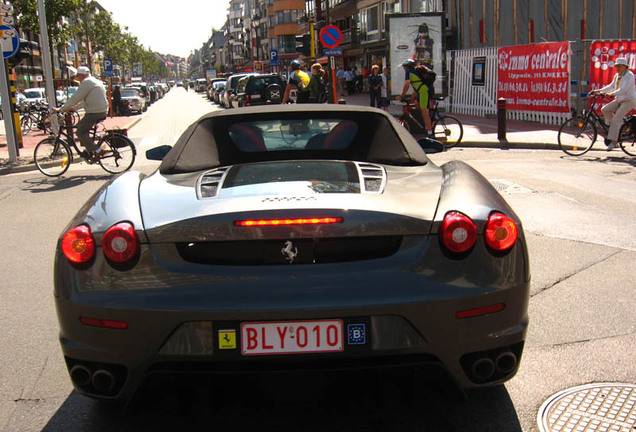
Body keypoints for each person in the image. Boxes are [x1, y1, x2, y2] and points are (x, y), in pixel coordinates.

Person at [53, 66, 108, 160]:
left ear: (82, 75)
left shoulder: (86, 82)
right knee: (81, 127)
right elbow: (84, 102)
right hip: (101, 111)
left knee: (80, 132)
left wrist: (61, 109)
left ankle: (97, 151)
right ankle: (89, 149)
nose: (77, 79)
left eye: (78, 76)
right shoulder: (95, 81)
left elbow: (75, 97)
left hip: (94, 112)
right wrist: (72, 108)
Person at [590, 57, 636, 151]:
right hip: (619, 99)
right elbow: (611, 86)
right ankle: (618, 125)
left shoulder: (629, 75)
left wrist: (612, 94)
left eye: (619, 66)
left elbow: (624, 89)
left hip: (629, 100)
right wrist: (599, 91)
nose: (617, 68)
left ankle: (614, 142)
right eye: (616, 66)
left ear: (625, 67)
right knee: (605, 109)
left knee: (615, 119)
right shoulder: (617, 75)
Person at [395, 58, 433, 136]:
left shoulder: (409, 72)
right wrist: (411, 98)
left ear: (407, 67)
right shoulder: (415, 72)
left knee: (424, 112)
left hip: (424, 92)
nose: (404, 69)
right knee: (416, 103)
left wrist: (402, 96)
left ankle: (430, 132)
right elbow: (417, 89)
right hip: (423, 91)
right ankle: (428, 121)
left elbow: (407, 84)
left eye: (404, 67)